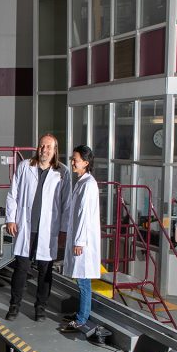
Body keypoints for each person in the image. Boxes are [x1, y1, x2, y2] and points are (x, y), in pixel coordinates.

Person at [5, 134, 71, 321]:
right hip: (26, 227)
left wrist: (64, 230)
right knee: (21, 268)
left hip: (48, 230)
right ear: (38, 147)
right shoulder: (25, 166)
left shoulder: (62, 172)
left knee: (45, 270)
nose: (44, 150)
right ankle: (14, 306)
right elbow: (13, 194)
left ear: (55, 150)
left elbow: (66, 204)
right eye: (42, 146)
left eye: (49, 147)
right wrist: (10, 219)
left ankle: (40, 308)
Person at [60, 145, 103, 340]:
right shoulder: (82, 182)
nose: (72, 162)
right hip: (80, 238)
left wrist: (79, 241)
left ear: (86, 163)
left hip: (84, 241)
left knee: (84, 282)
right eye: (72, 159)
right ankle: (80, 314)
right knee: (81, 280)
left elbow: (84, 216)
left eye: (75, 160)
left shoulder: (88, 184)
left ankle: (82, 318)